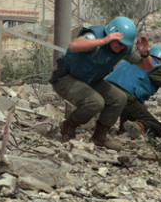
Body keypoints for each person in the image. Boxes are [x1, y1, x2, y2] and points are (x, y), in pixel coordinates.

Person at [49, 16, 154, 150]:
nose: (121, 47)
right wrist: (103, 41)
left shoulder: (123, 49)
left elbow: (147, 66)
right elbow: (74, 46)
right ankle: (68, 126)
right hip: (65, 78)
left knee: (119, 98)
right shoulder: (94, 36)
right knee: (96, 102)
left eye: (124, 44)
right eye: (118, 42)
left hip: (90, 80)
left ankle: (99, 137)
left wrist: (145, 54)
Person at [105, 45, 161, 139]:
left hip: (105, 91)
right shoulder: (157, 66)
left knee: (131, 104)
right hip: (124, 97)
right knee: (157, 127)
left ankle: (123, 130)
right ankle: (139, 126)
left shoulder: (133, 60)